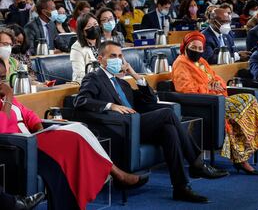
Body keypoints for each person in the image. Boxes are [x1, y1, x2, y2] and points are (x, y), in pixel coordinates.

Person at [74, 40, 228, 203]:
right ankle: (197, 163)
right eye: (113, 56)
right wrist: (110, 106)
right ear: (100, 59)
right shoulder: (94, 78)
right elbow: (81, 101)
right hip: (120, 128)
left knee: (169, 130)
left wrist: (134, 74)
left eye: (120, 56)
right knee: (167, 114)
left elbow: (150, 100)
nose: (118, 59)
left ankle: (181, 187)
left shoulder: (122, 82)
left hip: (136, 125)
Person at [0, 58, 148, 210]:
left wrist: (40, 129)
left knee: (78, 128)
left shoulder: (6, 97)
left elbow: (29, 115)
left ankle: (114, 174)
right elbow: (2, 128)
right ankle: (116, 175)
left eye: (3, 78)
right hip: (18, 145)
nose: (2, 83)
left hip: (34, 137)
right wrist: (9, 99)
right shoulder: (7, 98)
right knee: (75, 136)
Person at [172, 32, 258, 172]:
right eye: (193, 47)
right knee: (249, 99)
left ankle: (241, 160)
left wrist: (217, 85)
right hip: (204, 104)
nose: (197, 51)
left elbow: (218, 79)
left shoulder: (202, 61)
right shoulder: (180, 63)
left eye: (200, 48)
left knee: (237, 118)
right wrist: (208, 87)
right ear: (185, 46)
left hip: (218, 100)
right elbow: (185, 90)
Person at [70, 13, 101, 84]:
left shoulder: (103, 44)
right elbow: (79, 75)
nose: (94, 27)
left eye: (95, 24)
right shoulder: (76, 48)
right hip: (85, 85)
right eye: (89, 26)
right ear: (82, 32)